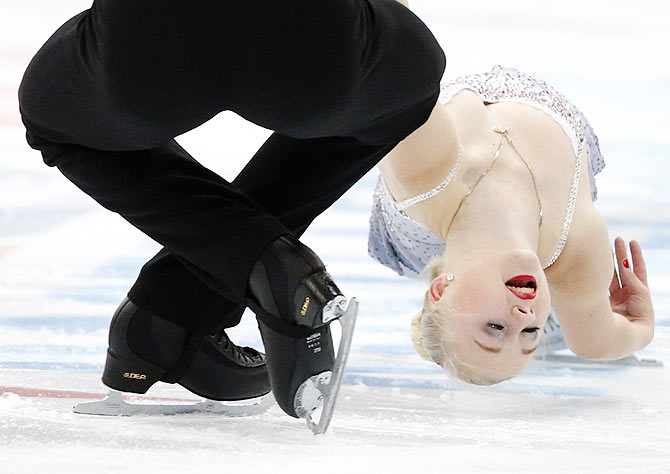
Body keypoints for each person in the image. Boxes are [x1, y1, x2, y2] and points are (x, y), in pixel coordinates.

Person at [17, 0, 446, 418]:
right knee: (405, 93)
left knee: (55, 120)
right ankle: (185, 304)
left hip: (148, 48)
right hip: (314, 50)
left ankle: (254, 271)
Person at [368, 65, 655, 385]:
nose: (524, 317)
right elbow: (594, 343)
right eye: (530, 333)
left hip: (412, 239)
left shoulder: (427, 174)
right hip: (523, 242)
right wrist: (641, 326)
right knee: (577, 301)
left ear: (440, 289)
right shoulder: (576, 254)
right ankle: (551, 320)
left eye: (494, 328)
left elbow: (386, 53)